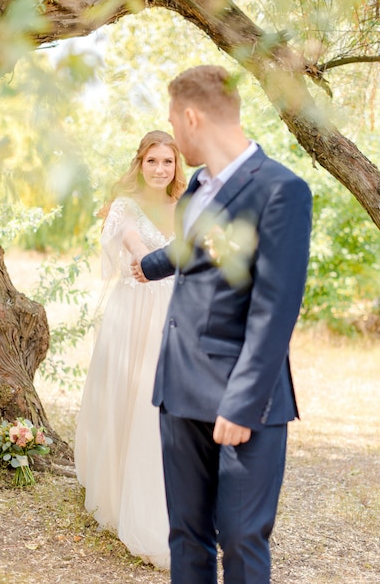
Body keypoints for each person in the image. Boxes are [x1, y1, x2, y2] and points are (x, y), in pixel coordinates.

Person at [132, 66, 312, 583]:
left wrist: (241, 402)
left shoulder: (281, 190)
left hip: (243, 399)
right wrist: (147, 265)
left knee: (240, 538)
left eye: (173, 121)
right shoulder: (195, 190)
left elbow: (276, 307)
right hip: (180, 389)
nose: (173, 129)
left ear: (191, 117)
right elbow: (189, 257)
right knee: (186, 537)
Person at [74, 130, 186, 569]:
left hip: (176, 315)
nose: (161, 169)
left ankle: (171, 500)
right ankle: (125, 498)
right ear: (139, 163)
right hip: (135, 315)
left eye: (168, 162)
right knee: (135, 402)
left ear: (178, 166)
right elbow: (143, 260)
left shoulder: (186, 208)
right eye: (153, 161)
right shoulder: (124, 207)